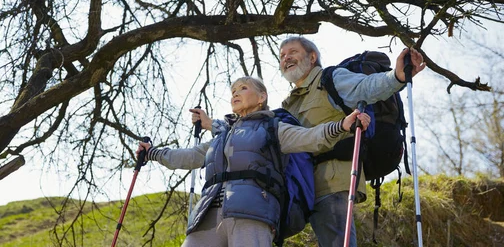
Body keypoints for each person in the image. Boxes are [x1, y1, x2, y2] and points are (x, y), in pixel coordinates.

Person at [137, 76, 371, 247]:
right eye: (233, 91)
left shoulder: (273, 128)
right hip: (207, 215)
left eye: (243, 88)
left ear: (261, 97)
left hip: (252, 214)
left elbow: (311, 138)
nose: (235, 94)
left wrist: (341, 126)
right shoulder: (221, 136)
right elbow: (187, 156)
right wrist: (152, 153)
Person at [278, 36, 426, 247]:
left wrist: (396, 77)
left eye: (292, 52)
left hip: (333, 182)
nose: (286, 58)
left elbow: (366, 87)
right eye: (282, 56)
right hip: (303, 187)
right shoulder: (289, 103)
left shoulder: (330, 79)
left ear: (312, 57)